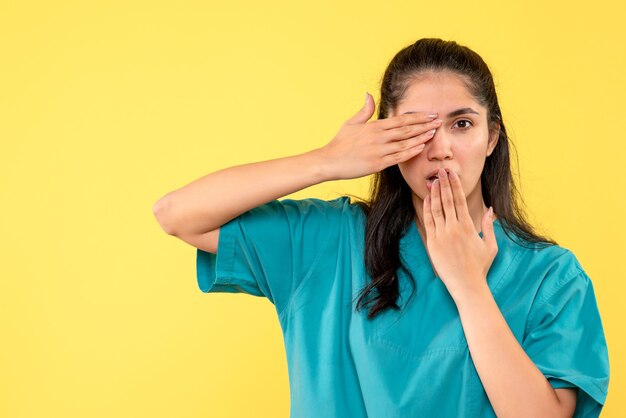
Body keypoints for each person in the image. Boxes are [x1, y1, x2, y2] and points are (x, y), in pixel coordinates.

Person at [153, 38, 610, 417]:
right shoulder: (328, 242)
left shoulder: (552, 278)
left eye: (462, 124)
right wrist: (327, 161)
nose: (441, 149)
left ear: (491, 137)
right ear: (387, 139)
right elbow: (177, 214)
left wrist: (470, 287)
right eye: (418, 128)